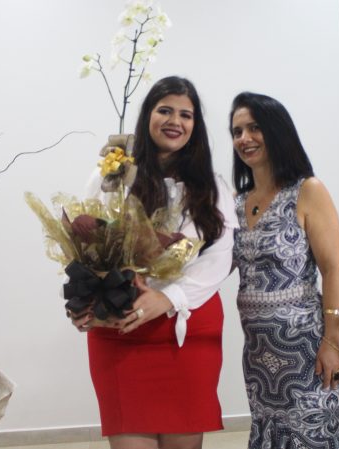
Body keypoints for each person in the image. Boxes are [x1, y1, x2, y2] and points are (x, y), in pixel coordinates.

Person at [71, 76, 236, 449]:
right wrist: (83, 301)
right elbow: (85, 244)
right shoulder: (111, 176)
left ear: (195, 126)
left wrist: (167, 297)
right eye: (165, 110)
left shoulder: (212, 186)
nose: (175, 121)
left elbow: (218, 258)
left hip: (187, 331)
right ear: (148, 115)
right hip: (121, 328)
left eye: (185, 115)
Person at [229, 92, 339, 448]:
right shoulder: (237, 203)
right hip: (259, 357)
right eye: (237, 131)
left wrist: (332, 342)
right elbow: (213, 266)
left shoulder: (307, 190)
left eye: (254, 128)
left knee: (312, 437)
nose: (244, 138)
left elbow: (333, 269)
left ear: (276, 130)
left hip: (307, 351)